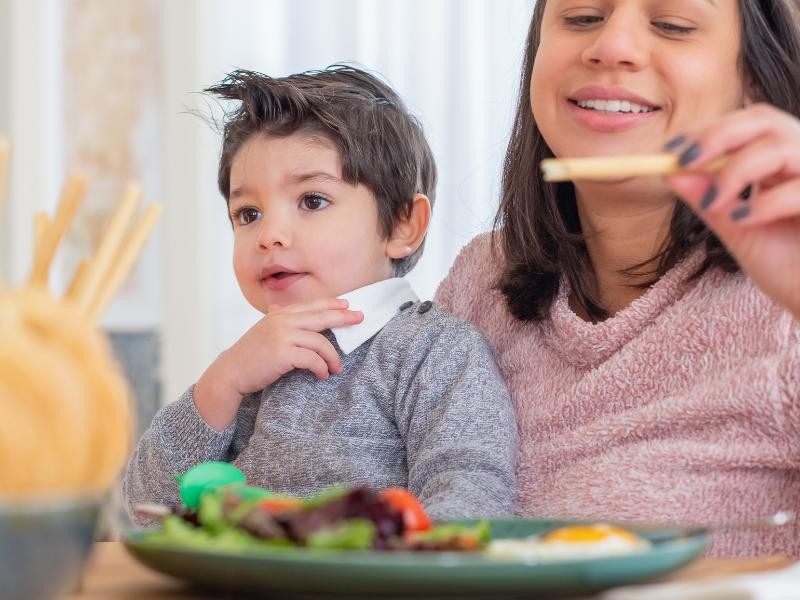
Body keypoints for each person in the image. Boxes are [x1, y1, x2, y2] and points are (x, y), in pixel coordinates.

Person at [436, 0, 800, 557]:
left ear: (753, 81)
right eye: (582, 17)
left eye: (672, 24)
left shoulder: (785, 307)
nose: (611, 47)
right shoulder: (478, 281)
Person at [123, 66, 516, 524]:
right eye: (247, 213)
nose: (269, 235)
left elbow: (471, 487)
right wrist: (222, 382)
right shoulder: (251, 364)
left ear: (403, 225)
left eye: (312, 201)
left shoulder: (434, 352)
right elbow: (145, 512)